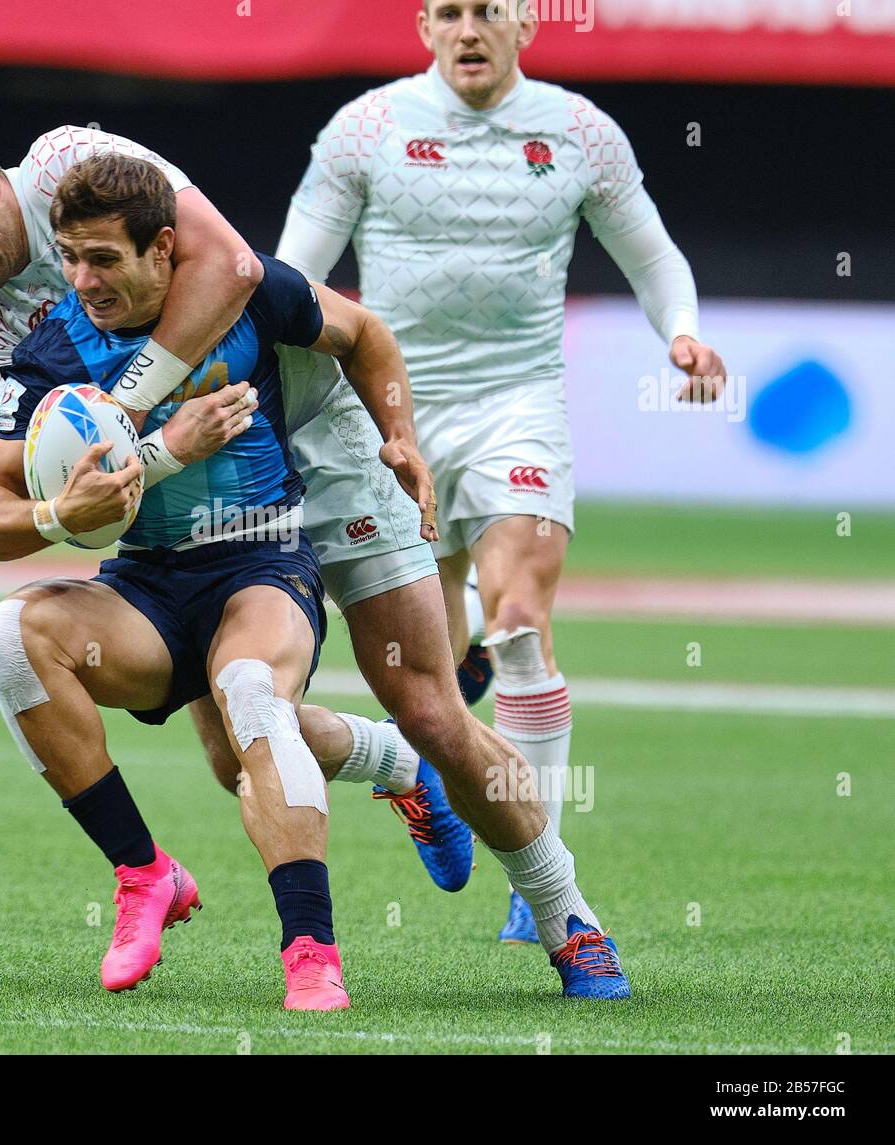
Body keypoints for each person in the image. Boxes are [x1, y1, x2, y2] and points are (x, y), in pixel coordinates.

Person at [0, 117, 631, 1002]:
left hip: (318, 447)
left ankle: (569, 917)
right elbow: (49, 474)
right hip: (185, 516)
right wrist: (109, 479)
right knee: (236, 754)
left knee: (431, 706)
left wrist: (398, 439)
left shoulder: (81, 165)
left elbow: (235, 269)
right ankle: (395, 769)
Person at [277, 0, 729, 944]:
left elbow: (651, 255)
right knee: (425, 685)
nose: (469, 29)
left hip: (516, 405)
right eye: (450, 12)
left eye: (489, 11)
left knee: (518, 621)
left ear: (528, 23)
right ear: (423, 26)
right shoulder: (365, 129)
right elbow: (291, 278)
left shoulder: (579, 134)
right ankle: (418, 784)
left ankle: (543, 876)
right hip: (386, 414)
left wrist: (682, 334)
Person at [0, 152, 443, 1009]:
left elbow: (364, 334)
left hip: (261, 561)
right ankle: (146, 873)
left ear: (164, 249)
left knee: (251, 692)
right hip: (142, 586)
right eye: (69, 256)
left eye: (103, 258)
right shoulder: (54, 346)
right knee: (4, 639)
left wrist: (398, 434)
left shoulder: (246, 294)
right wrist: (67, 513)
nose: (82, 278)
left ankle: (311, 955)